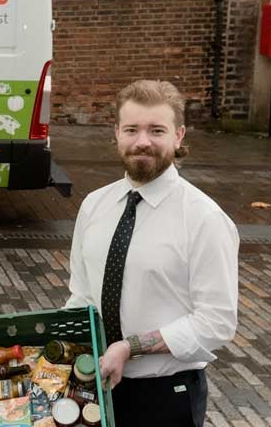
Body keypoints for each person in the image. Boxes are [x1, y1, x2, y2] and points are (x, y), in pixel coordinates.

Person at [65, 79, 238, 426]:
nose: (142, 141)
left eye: (156, 130)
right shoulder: (94, 205)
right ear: (116, 134)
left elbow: (217, 322)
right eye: (131, 129)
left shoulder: (204, 218)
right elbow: (81, 295)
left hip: (165, 397)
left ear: (178, 135)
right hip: (94, 386)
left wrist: (130, 347)